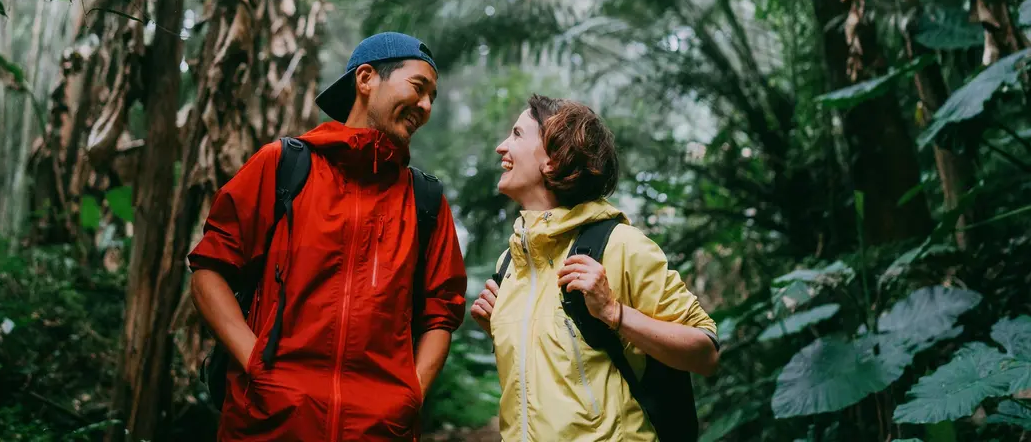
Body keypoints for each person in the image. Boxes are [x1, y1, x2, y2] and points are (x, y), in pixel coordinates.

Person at [187, 32, 468, 441]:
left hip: (378, 430)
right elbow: (208, 272)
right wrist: (260, 369)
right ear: (367, 78)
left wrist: (408, 396)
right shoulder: (283, 165)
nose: (425, 106)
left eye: (432, 98)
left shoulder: (425, 201)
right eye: (418, 88)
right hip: (269, 425)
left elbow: (440, 315)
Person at [470, 95, 719, 441]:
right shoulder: (510, 263)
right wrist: (500, 326)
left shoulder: (621, 245)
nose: (501, 147)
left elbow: (705, 353)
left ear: (553, 160)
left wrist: (615, 313)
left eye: (516, 134)